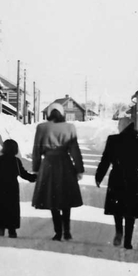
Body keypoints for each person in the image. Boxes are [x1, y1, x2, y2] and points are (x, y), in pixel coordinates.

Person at [31, 103, 85, 241]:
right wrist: (79, 169)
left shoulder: (41, 127)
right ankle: (67, 231)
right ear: (62, 113)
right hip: (65, 164)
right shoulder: (70, 127)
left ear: (49, 113)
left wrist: (36, 168)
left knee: (52, 198)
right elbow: (75, 150)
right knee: (65, 198)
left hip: (48, 165)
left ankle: (58, 232)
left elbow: (36, 150)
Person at [95, 115, 138, 250]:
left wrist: (99, 176)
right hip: (132, 177)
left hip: (116, 175)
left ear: (122, 127)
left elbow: (105, 160)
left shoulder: (113, 140)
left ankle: (119, 231)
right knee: (130, 209)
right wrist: (131, 165)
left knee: (117, 207)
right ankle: (128, 241)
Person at [0, 139, 36, 238]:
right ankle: (12, 231)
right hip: (12, 187)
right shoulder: (16, 161)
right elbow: (23, 174)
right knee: (12, 208)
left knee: (0, 207)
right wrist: (35, 178)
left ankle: (0, 229)